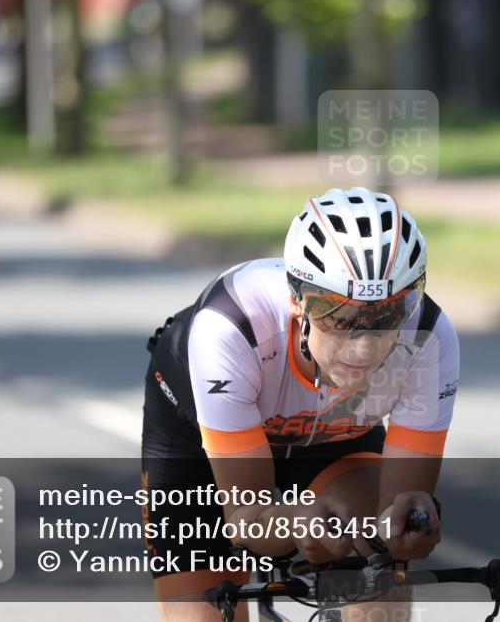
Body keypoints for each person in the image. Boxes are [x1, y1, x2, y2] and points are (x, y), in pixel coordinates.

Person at [141, 186, 459, 621]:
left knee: (378, 571)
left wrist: (408, 528)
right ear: (298, 301)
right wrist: (296, 524)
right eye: (340, 317)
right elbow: (247, 517)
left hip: (334, 435)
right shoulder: (233, 328)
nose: (363, 347)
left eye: (385, 317)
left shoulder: (427, 336)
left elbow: (400, 511)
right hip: (198, 441)